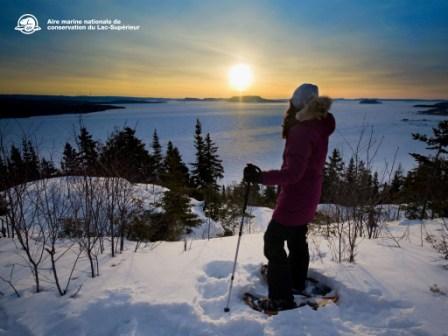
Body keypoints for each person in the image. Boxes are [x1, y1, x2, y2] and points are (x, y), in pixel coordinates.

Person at [243, 83, 335, 311]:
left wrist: (260, 178)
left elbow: (293, 174)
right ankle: (295, 280)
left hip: (296, 197)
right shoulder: (320, 124)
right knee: (296, 238)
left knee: (273, 242)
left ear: (297, 105)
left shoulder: (302, 131)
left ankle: (281, 298)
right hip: (310, 193)